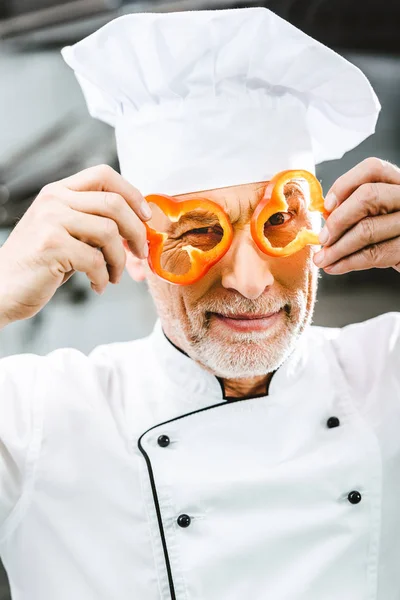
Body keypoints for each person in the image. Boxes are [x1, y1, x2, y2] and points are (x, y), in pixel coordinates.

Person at [0, 6, 399, 600]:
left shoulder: (387, 375)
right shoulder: (36, 417)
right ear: (135, 248)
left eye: (280, 222)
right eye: (197, 232)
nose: (251, 283)